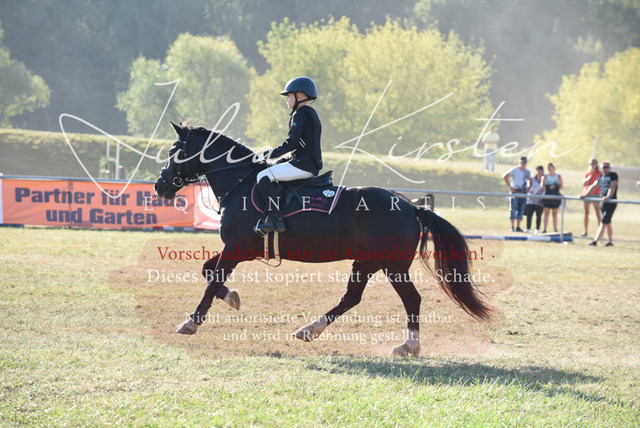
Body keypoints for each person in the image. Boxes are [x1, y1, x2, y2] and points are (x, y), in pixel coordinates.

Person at [254, 76, 323, 235]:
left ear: (299, 96)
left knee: (262, 176)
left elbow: (291, 143)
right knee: (271, 170)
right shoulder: (310, 113)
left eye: (289, 96)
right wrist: (280, 160)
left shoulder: (300, 114)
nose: (286, 100)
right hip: (307, 163)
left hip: (304, 165)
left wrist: (267, 155)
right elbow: (300, 148)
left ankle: (275, 219)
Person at [589, 161, 618, 246]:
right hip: (603, 202)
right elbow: (594, 186)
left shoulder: (613, 175)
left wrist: (608, 197)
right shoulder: (601, 176)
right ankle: (610, 242)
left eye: (606, 167)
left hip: (610, 202)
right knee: (607, 222)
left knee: (603, 221)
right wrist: (585, 195)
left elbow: (612, 187)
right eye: (603, 167)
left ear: (609, 168)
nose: (605, 169)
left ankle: (595, 241)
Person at [503, 156, 530, 232]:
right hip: (515, 193)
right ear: (519, 162)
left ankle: (518, 226)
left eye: (524, 162)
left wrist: (528, 188)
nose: (523, 164)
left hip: (523, 193)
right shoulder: (514, 170)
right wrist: (510, 186)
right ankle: (512, 226)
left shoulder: (527, 171)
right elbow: (505, 176)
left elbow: (530, 180)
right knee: (513, 209)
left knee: (521, 210)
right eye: (522, 162)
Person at [579, 158, 602, 237]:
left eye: (594, 163)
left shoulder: (600, 173)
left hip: (596, 194)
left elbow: (597, 185)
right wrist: (590, 176)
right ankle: (585, 231)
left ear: (596, 164)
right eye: (591, 164)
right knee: (586, 213)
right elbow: (584, 183)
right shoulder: (588, 173)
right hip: (586, 194)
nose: (592, 165)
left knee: (597, 213)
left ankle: (600, 231)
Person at [541, 162, 563, 233]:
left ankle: (555, 229)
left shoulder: (558, 176)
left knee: (555, 214)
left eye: (550, 167)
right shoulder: (545, 176)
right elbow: (542, 186)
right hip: (547, 196)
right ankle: (544, 229)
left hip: (555, 196)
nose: (549, 169)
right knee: (546, 213)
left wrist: (555, 187)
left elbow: (561, 186)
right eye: (548, 167)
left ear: (553, 167)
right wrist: (549, 188)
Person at [525, 165, 544, 234]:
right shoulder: (532, 180)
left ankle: (537, 229)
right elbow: (528, 188)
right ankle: (528, 228)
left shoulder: (544, 180)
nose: (539, 172)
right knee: (529, 215)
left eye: (540, 170)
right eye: (538, 170)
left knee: (538, 216)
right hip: (531, 200)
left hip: (540, 201)